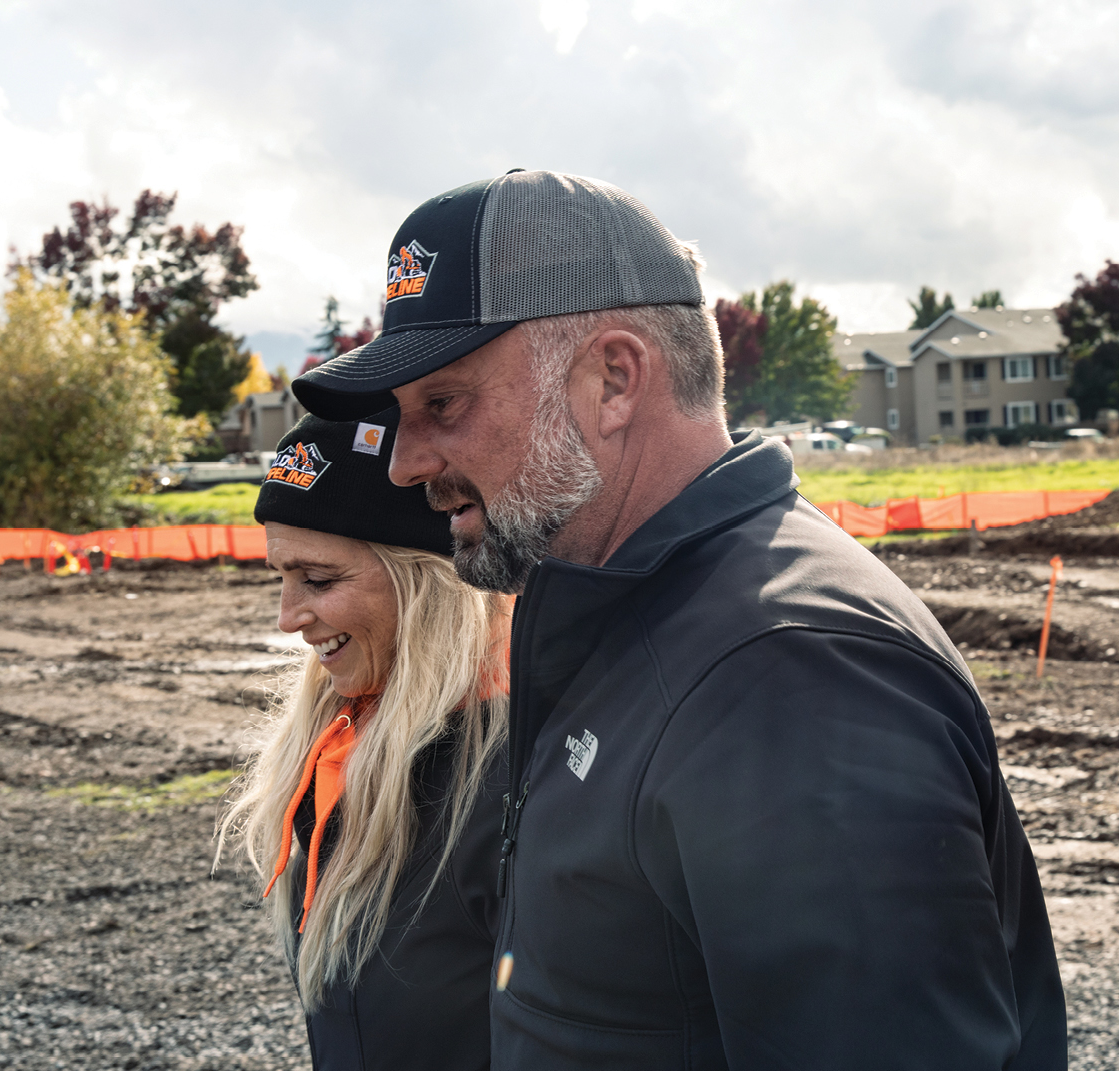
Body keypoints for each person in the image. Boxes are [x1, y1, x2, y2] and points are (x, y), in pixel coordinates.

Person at [292, 170, 1067, 1069]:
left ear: (614, 379)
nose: (404, 463)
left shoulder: (787, 677)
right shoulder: (618, 612)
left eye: (443, 404)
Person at [221, 408, 512, 1071]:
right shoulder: (337, 752)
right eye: (281, 577)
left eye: (318, 579)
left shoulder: (519, 780)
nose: (288, 618)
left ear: (429, 581)